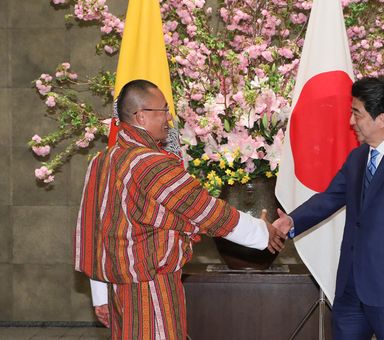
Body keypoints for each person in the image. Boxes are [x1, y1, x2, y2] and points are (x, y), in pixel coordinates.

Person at [74, 79, 285, 339]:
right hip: (150, 290)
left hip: (118, 289)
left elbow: (96, 231)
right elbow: (208, 213)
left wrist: (99, 294)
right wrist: (264, 234)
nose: (168, 117)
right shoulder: (151, 164)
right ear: (141, 116)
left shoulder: (101, 161)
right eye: (163, 110)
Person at [273, 77, 384, 340]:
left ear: (381, 119)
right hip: (350, 288)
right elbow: (329, 198)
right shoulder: (358, 157)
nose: (351, 122)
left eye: (356, 114)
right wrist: (292, 221)